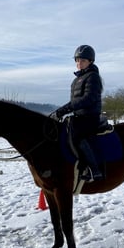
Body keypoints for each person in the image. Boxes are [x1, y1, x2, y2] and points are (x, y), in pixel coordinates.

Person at [54, 44, 104, 182]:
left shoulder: (93, 77)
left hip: (90, 116)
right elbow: (75, 101)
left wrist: (64, 109)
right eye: (77, 60)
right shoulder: (76, 80)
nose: (79, 63)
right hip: (79, 116)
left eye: (82, 60)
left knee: (76, 135)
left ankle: (93, 169)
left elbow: (88, 99)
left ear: (90, 61)